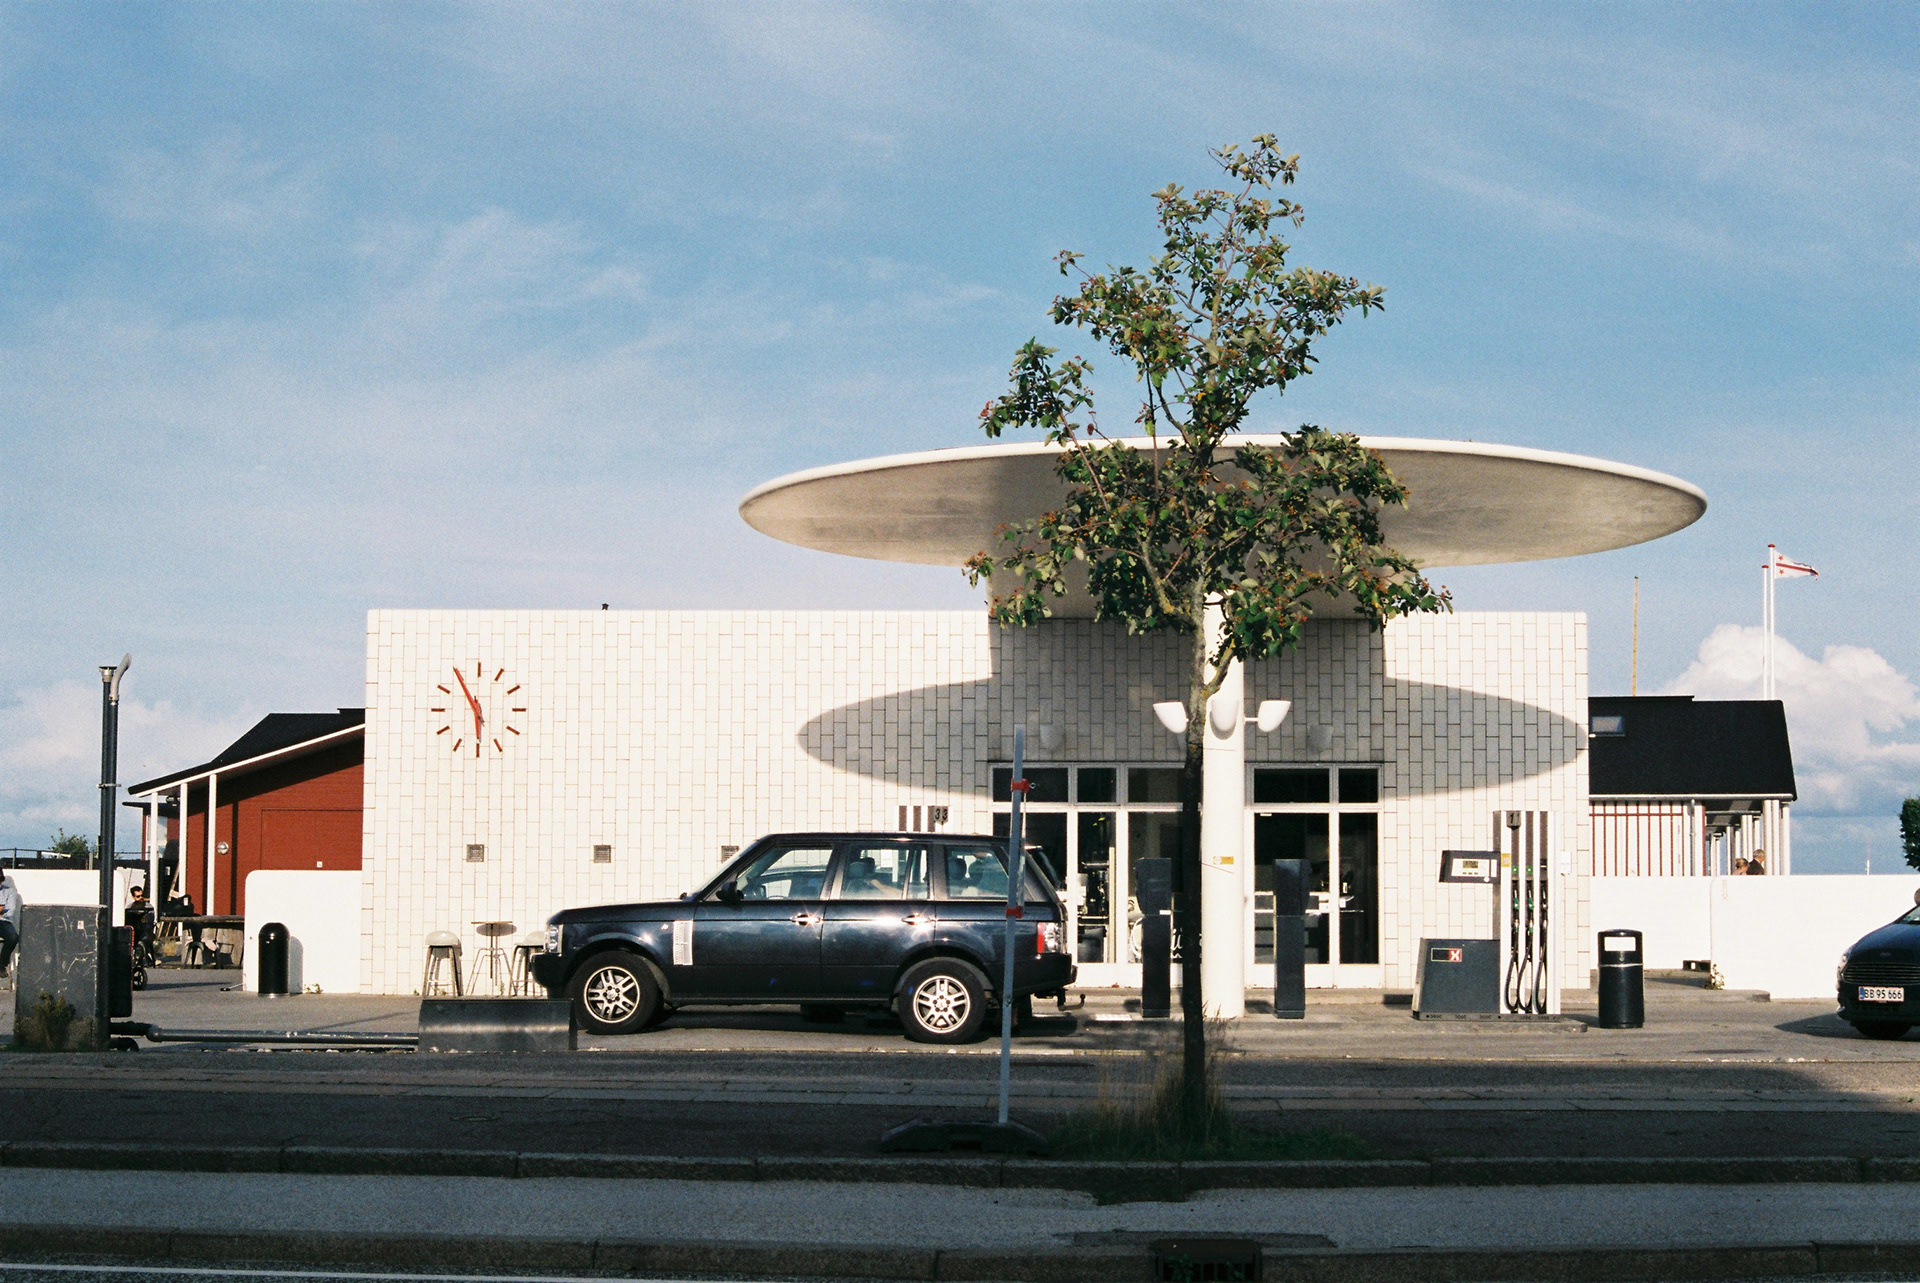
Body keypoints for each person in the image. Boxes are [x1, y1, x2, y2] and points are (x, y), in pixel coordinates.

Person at [0, 867, 21, 978]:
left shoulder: (10, 891)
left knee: (13, 937)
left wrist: (3, 911)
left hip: (3, 921)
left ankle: (2, 965)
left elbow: (10, 911)